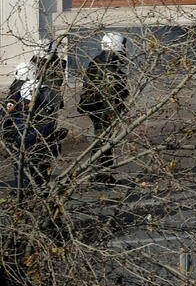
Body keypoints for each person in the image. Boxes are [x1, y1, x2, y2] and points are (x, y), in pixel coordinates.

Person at [77, 31, 129, 182]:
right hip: (104, 110)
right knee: (103, 141)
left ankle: (100, 172)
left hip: (98, 108)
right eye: (124, 45)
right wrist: (115, 114)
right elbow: (111, 94)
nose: (126, 48)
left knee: (101, 140)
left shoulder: (99, 61)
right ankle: (101, 174)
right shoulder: (108, 68)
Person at [3, 60, 64, 189]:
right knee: (41, 165)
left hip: (25, 136)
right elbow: (57, 107)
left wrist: (7, 133)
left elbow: (6, 115)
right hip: (45, 135)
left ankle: (24, 194)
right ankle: (40, 191)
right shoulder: (47, 89)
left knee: (23, 169)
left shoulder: (18, 91)